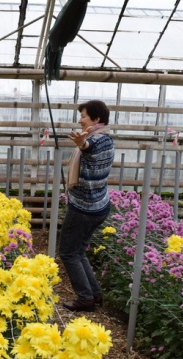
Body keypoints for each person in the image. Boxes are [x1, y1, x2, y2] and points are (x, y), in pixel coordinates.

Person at [59, 99, 114, 312]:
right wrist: (83, 144)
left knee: (68, 253)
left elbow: (89, 147)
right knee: (79, 251)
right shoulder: (105, 138)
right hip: (97, 205)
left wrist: (82, 144)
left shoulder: (99, 139)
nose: (80, 120)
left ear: (97, 118)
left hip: (85, 208)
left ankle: (85, 299)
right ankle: (94, 293)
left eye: (84, 116)